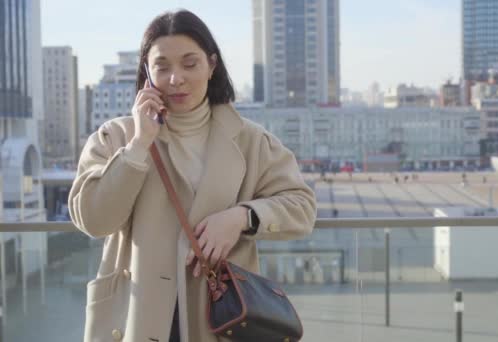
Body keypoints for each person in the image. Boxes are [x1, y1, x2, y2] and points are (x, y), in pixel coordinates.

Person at [68, 10, 316, 342]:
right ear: (146, 72)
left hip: (220, 318)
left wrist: (242, 217)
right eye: (162, 66)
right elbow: (94, 220)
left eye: (189, 64)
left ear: (211, 65)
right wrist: (139, 144)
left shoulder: (250, 140)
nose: (176, 79)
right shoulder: (116, 136)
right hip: (137, 316)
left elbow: (302, 206)